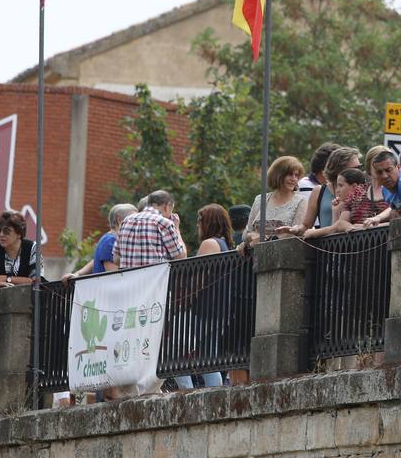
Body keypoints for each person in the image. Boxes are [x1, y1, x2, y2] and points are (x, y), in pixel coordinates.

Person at [173, 204, 232, 391]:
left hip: (205, 308)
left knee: (175, 352)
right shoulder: (223, 244)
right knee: (207, 357)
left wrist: (183, 301)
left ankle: (189, 393)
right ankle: (214, 395)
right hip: (217, 309)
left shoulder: (210, 244)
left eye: (200, 220)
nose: (198, 225)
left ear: (208, 222)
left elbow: (197, 277)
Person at [242, 156, 309, 246]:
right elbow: (246, 233)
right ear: (278, 175)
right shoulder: (260, 200)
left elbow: (297, 235)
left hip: (286, 252)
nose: (293, 179)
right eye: (290, 174)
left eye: (296, 175)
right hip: (258, 254)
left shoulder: (301, 201)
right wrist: (251, 236)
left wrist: (267, 241)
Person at [113, 191, 187, 269]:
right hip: (156, 276)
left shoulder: (126, 221)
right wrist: (176, 228)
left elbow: (116, 259)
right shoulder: (164, 223)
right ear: (167, 206)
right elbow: (181, 257)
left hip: (129, 276)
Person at [300, 147, 361, 237]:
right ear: (339, 169)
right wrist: (294, 230)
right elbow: (306, 225)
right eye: (354, 168)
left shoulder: (361, 191)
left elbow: (340, 226)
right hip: (326, 244)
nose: (358, 171)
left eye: (359, 167)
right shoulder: (319, 191)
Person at [66, 204, 137, 279]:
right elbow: (114, 276)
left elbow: (96, 261)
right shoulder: (110, 241)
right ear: (119, 220)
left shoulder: (109, 239)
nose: (137, 222)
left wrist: (78, 274)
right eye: (133, 219)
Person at [358, 150, 401, 227]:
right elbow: (396, 210)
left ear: (398, 167)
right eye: (379, 172)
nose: (384, 176)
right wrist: (378, 217)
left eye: (388, 170)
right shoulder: (385, 190)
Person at [0, 210, 40, 285]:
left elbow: (36, 281)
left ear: (19, 233)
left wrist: (7, 279)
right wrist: (23, 280)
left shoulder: (32, 248)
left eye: (7, 231)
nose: (1, 234)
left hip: (26, 292)